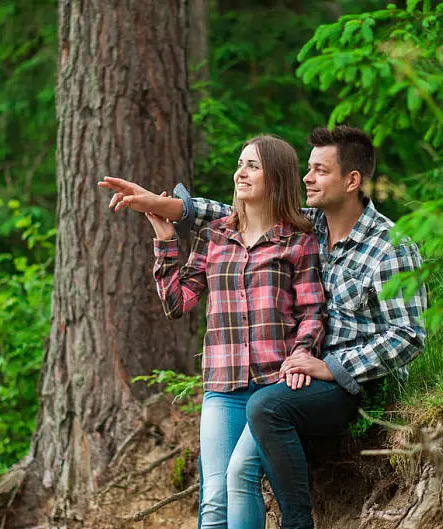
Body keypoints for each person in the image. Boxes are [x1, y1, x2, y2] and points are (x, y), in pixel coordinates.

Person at [100, 126, 427, 529]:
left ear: (352, 180)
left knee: (255, 436)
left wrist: (324, 362)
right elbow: (230, 216)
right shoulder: (312, 224)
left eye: (320, 171)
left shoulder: (385, 245)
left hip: (343, 379)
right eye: (306, 169)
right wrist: (162, 209)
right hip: (253, 378)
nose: (307, 178)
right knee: (215, 496)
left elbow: (408, 335)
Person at [107, 135, 326, 529]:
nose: (241, 173)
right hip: (222, 387)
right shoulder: (216, 236)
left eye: (253, 166)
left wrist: (302, 355)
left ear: (276, 177)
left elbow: (311, 310)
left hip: (274, 386)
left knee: (241, 477)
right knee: (214, 502)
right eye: (240, 164)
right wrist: (165, 240)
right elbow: (178, 303)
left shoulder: (298, 240)